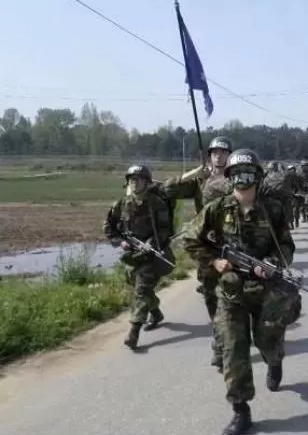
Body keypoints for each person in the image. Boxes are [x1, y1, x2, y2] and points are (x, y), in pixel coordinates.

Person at [182, 149, 297, 434]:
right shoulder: (217, 209)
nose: (242, 182)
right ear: (229, 179)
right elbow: (189, 239)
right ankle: (240, 410)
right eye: (236, 176)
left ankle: (275, 361)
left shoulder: (273, 210)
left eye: (248, 175)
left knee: (267, 343)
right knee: (233, 350)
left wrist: (270, 264)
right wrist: (215, 261)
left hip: (265, 289)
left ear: (257, 178)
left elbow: (286, 247)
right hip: (231, 291)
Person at [160, 135, 233, 371]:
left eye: (223, 152)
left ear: (229, 155)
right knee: (212, 296)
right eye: (215, 152)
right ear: (210, 156)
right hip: (207, 244)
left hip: (235, 242)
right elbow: (167, 190)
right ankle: (220, 340)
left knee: (237, 294)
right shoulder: (201, 181)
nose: (219, 156)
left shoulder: (236, 177)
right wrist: (192, 175)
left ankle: (231, 338)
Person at [104, 165, 174, 349]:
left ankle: (133, 332)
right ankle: (156, 313)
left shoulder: (156, 203)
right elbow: (109, 226)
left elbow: (166, 230)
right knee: (133, 282)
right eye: (131, 179)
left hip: (153, 255)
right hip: (133, 254)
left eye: (139, 179)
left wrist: (153, 241)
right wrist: (121, 242)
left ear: (147, 182)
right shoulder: (122, 204)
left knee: (141, 290)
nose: (134, 183)